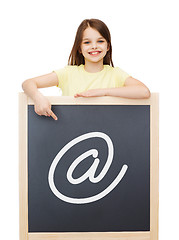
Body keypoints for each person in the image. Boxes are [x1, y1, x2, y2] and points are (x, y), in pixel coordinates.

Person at [22, 18, 151, 121]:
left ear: (108, 47)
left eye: (100, 41)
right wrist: (38, 98)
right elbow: (28, 83)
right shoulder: (68, 73)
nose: (94, 46)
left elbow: (144, 92)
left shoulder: (115, 74)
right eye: (87, 42)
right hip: (70, 133)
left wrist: (102, 92)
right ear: (79, 48)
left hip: (108, 134)